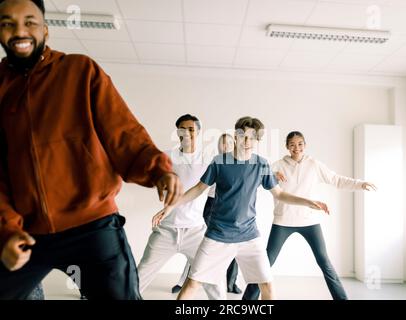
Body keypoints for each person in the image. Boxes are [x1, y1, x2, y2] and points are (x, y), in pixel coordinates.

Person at [0, 0, 181, 300]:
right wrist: (5, 230)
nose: (20, 31)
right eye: (7, 23)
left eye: (29, 22)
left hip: (92, 226)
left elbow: (122, 133)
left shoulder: (79, 71)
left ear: (45, 29)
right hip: (27, 233)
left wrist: (157, 170)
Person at [153, 117, 329, 300]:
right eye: (243, 136)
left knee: (267, 285)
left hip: (249, 236)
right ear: (235, 136)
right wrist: (169, 207)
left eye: (252, 138)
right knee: (193, 283)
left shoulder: (261, 164)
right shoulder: (219, 162)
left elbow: (279, 194)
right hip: (218, 235)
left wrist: (307, 201)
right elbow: (198, 189)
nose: (247, 142)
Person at [242, 131, 376, 300]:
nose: (296, 147)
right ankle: (246, 302)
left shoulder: (314, 164)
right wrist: (271, 176)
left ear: (305, 145)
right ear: (287, 147)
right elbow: (257, 181)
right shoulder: (277, 165)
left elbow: (336, 180)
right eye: (292, 144)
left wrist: (360, 184)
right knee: (266, 264)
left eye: (300, 144)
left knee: (324, 262)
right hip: (283, 221)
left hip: (310, 222)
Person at [138, 114, 225, 300]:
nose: (187, 133)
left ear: (198, 132)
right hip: (166, 230)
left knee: (213, 280)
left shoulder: (209, 160)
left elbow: (222, 188)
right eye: (182, 129)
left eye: (191, 129)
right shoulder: (167, 157)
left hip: (195, 231)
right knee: (139, 277)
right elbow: (156, 178)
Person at [171, 133, 242, 295]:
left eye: (229, 143)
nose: (226, 146)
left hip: (231, 209)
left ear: (235, 144)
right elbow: (198, 184)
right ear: (219, 146)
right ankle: (184, 282)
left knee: (233, 247)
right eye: (223, 143)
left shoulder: (240, 163)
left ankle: (231, 283)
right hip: (211, 207)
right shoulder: (213, 161)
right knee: (201, 247)